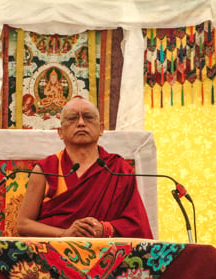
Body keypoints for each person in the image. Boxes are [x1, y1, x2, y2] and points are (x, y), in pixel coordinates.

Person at [17, 96, 153, 239]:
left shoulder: (118, 169)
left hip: (108, 256)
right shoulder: (45, 169)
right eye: (72, 118)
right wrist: (64, 234)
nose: (81, 123)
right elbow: (23, 224)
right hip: (55, 255)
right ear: (60, 132)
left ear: (101, 129)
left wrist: (105, 228)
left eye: (88, 118)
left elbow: (136, 224)